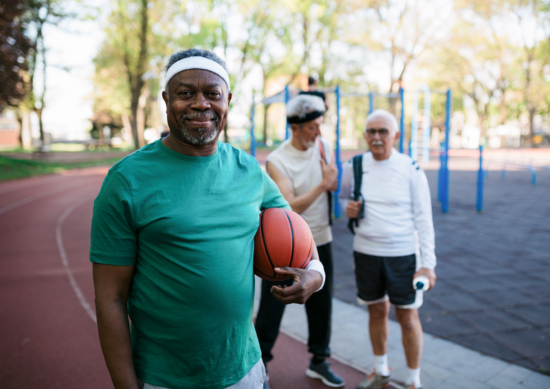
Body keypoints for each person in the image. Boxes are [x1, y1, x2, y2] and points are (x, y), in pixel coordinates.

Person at [90, 48, 326, 389]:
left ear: (227, 100)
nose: (200, 103)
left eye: (212, 94)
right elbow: (110, 299)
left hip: (245, 369)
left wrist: (315, 275)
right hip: (164, 378)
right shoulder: (126, 181)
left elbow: (297, 232)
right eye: (186, 93)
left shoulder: (249, 171)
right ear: (166, 99)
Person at [338, 109, 436, 389]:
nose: (377, 137)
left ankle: (414, 381)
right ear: (365, 135)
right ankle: (381, 370)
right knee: (376, 312)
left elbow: (424, 219)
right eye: (371, 131)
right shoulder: (353, 166)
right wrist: (349, 209)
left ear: (396, 136)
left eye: (383, 131)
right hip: (366, 254)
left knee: (407, 316)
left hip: (403, 256)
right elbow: (343, 199)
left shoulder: (410, 168)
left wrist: (428, 264)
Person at [255, 94, 345, 389]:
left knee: (322, 305)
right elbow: (289, 207)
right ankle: (260, 364)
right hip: (283, 248)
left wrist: (335, 187)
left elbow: (334, 186)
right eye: (313, 126)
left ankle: (319, 360)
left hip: (321, 239)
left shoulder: (324, 148)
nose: (318, 131)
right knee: (271, 309)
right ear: (296, 126)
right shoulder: (278, 161)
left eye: (320, 125)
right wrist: (323, 184)